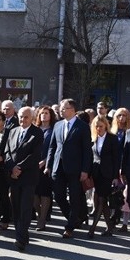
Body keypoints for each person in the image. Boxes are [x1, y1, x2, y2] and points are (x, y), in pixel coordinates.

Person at [45, 99, 93, 239]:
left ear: (72, 109)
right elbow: (52, 146)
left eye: (64, 108)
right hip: (58, 167)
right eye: (60, 108)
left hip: (75, 168)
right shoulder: (58, 125)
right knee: (58, 195)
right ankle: (74, 218)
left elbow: (86, 150)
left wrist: (85, 170)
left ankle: (70, 227)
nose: (61, 110)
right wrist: (49, 165)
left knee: (74, 197)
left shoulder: (82, 127)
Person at [3, 106, 43, 252]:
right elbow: (7, 151)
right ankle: (22, 234)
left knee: (25, 207)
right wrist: (11, 168)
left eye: (26, 117)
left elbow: (35, 155)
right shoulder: (13, 131)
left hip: (28, 177)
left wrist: (19, 168)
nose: (22, 119)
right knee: (16, 207)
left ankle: (20, 239)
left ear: (32, 118)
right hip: (14, 176)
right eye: (20, 116)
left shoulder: (37, 133)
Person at [89, 115, 120, 237]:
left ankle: (92, 227)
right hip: (96, 173)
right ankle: (109, 228)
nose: (99, 128)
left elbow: (117, 159)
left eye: (101, 126)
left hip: (108, 174)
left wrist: (115, 176)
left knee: (101, 200)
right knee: (102, 201)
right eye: (96, 126)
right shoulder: (93, 138)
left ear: (106, 126)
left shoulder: (112, 139)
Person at [33, 105, 56, 231]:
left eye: (46, 113)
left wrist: (46, 161)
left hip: (47, 166)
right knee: (34, 194)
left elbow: (56, 148)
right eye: (42, 113)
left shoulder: (54, 129)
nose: (44, 115)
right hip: (33, 165)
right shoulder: (35, 129)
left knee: (45, 193)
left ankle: (42, 220)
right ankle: (40, 213)